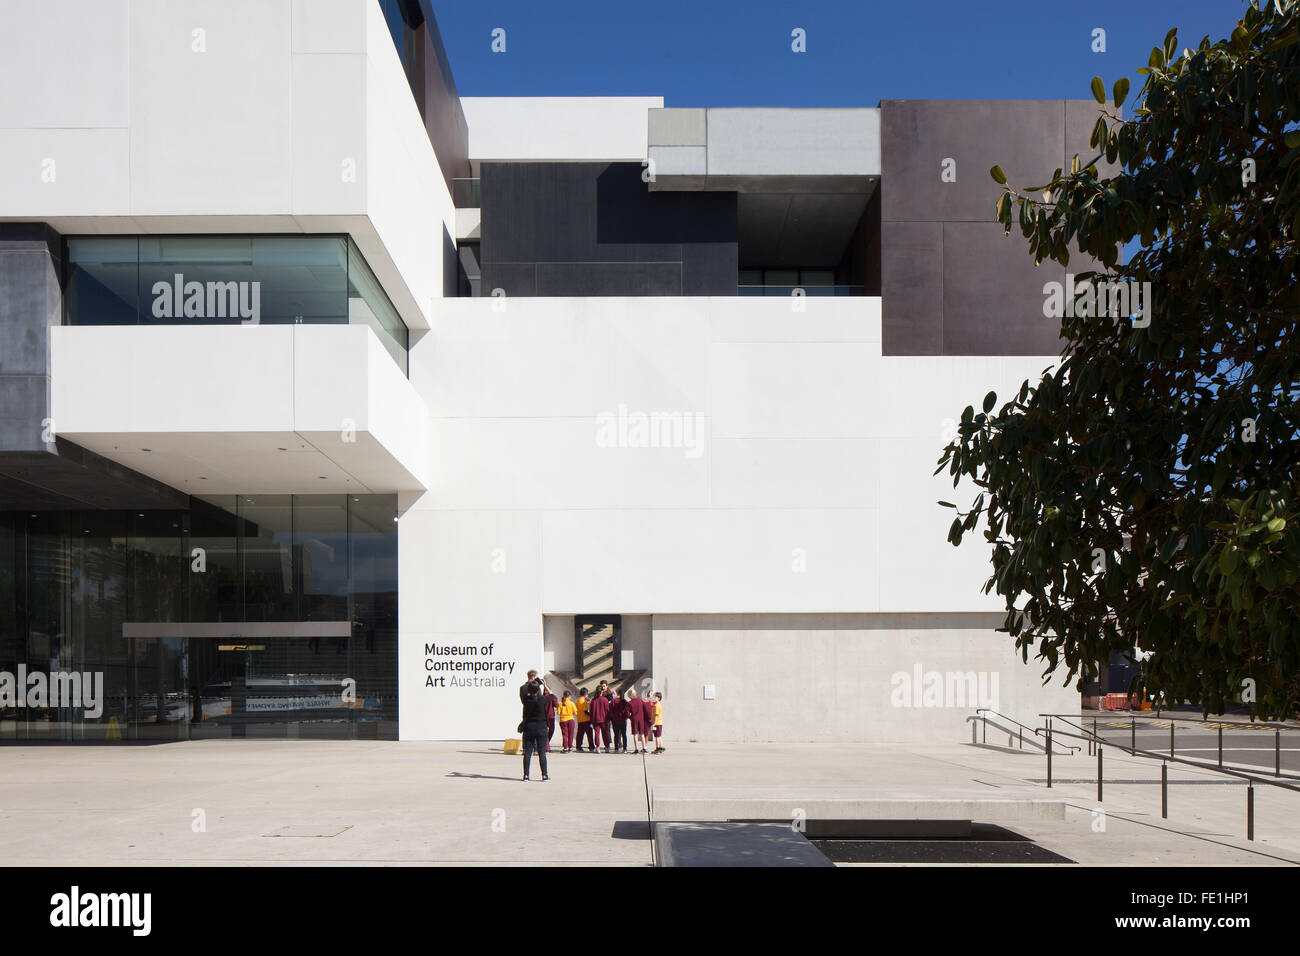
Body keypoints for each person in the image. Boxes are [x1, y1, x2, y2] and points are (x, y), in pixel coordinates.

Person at [520, 682, 549, 781]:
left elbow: (523, 691)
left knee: (527, 753)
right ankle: (544, 775)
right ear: (538, 690)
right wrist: (545, 686)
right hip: (541, 727)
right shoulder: (542, 699)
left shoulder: (526, 700)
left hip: (529, 728)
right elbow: (552, 696)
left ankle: (526, 775)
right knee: (542, 753)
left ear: (528, 691)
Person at [588, 683, 612, 753]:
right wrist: (609, 719)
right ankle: (607, 746)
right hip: (604, 719)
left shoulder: (593, 701)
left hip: (595, 719)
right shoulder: (605, 700)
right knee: (605, 733)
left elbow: (591, 711)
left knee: (596, 733)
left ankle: (597, 747)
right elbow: (608, 710)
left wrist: (591, 720)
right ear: (602, 691)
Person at [637, 687, 657, 754]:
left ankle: (653, 747)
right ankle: (645, 746)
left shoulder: (653, 702)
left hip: (650, 719)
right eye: (649, 693)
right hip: (645, 719)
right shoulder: (644, 701)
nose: (650, 694)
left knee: (650, 734)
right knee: (645, 734)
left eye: (651, 693)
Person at [627, 688, 644, 754]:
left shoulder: (630, 703)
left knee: (635, 734)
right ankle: (644, 747)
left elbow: (627, 713)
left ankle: (636, 748)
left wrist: (630, 717)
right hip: (641, 719)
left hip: (634, 719)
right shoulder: (640, 700)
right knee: (642, 734)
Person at [574, 688, 592, 752]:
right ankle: (591, 746)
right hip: (586, 719)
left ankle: (578, 746)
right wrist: (591, 715)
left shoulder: (577, 700)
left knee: (580, 734)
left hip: (580, 719)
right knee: (589, 734)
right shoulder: (584, 701)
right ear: (586, 694)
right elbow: (585, 711)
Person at [542, 682, 558, 752]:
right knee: (551, 730)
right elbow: (556, 705)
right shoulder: (552, 697)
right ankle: (547, 746)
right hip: (550, 716)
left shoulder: (542, 697)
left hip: (543, 716)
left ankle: (546, 744)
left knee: (545, 731)